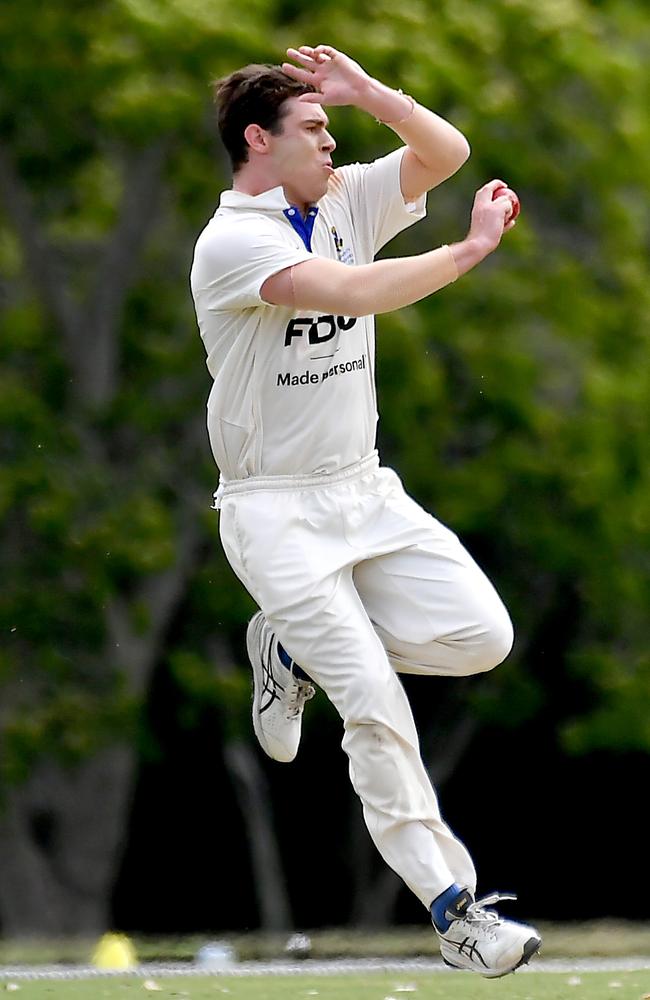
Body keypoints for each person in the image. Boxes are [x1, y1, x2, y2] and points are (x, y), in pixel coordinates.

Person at [190, 43, 541, 978]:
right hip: (273, 513)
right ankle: (458, 911)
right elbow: (348, 293)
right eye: (314, 128)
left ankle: (293, 650)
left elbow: (446, 154)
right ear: (259, 141)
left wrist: (372, 94)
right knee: (375, 706)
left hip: (363, 487)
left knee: (481, 637)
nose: (332, 141)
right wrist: (465, 254)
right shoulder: (233, 242)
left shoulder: (339, 199)